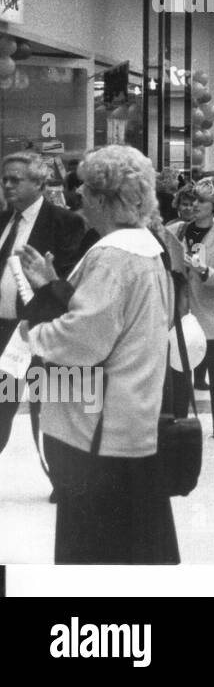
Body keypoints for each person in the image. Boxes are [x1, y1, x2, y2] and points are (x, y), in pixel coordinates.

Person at [18, 145, 178, 564]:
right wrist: (56, 286)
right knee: (137, 540)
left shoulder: (111, 256)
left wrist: (31, 335)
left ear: (106, 198)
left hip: (93, 426)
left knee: (92, 547)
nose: (79, 197)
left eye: (86, 189)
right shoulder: (146, 248)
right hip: (131, 415)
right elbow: (115, 321)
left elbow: (84, 341)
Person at [0, 151, 94, 488]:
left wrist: (49, 277)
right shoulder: (3, 221)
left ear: (39, 182)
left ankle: (64, 481)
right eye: (5, 178)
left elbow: (70, 279)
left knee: (51, 407)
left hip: (47, 332)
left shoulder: (65, 223)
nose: (8, 185)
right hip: (7, 334)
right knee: (2, 401)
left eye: (16, 179)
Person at [172, 176, 214, 440]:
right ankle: (178, 419)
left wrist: (203, 270)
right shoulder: (177, 230)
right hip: (181, 310)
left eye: (201, 201)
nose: (194, 205)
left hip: (213, 311)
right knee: (179, 368)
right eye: (192, 200)